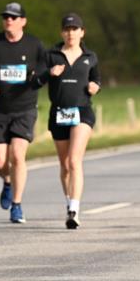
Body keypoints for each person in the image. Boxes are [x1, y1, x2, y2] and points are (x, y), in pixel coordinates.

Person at [0, 2, 48, 223]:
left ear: (23, 21)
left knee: (17, 155)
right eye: (6, 17)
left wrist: (37, 76)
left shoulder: (34, 45)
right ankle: (7, 182)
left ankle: (17, 205)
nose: (9, 20)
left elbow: (45, 69)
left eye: (13, 17)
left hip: (25, 109)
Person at [46, 13, 100, 229]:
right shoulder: (51, 55)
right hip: (59, 112)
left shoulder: (90, 56)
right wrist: (50, 72)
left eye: (75, 29)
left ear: (82, 32)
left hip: (82, 112)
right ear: (62, 32)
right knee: (64, 165)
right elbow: (38, 77)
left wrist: (95, 86)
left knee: (73, 160)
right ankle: (69, 201)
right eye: (67, 29)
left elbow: (96, 79)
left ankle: (74, 210)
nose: (71, 33)